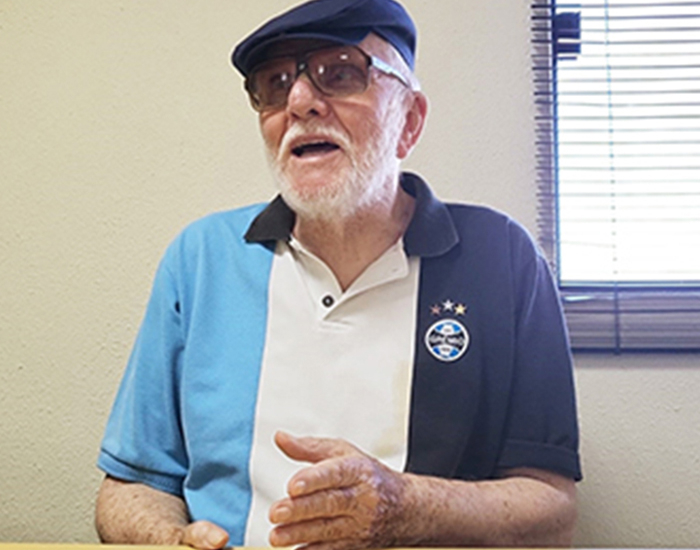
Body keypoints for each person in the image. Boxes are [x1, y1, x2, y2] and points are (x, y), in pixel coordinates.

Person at [95, 0, 581, 548]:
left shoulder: (502, 258)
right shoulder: (201, 258)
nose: (299, 102)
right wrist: (165, 538)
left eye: (342, 73)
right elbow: (129, 486)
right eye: (275, 84)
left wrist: (409, 507)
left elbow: (552, 513)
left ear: (409, 121)